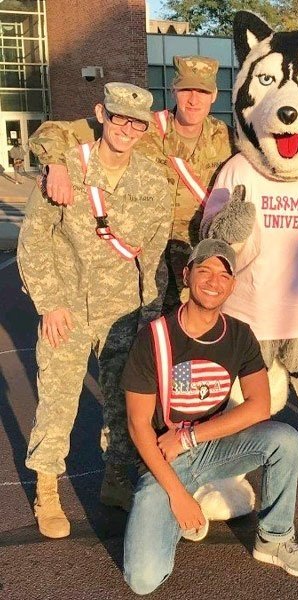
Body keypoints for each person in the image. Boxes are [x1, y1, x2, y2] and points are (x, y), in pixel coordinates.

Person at [121, 239, 298, 594]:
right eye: (205, 270)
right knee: (143, 579)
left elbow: (260, 405)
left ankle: (274, 539)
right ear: (186, 275)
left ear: (232, 285)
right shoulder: (155, 337)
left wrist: (190, 436)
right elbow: (138, 427)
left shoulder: (239, 335)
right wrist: (177, 496)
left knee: (285, 439)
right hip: (164, 459)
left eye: (224, 274)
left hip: (208, 445)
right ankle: (180, 502)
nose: (214, 281)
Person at [17, 82, 172, 538]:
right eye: (119, 118)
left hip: (123, 310)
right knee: (58, 399)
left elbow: (155, 256)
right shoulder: (67, 169)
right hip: (66, 306)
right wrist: (50, 304)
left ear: (146, 128)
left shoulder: (152, 182)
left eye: (137, 122)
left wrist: (149, 314)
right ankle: (47, 487)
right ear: (102, 114)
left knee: (125, 402)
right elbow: (33, 242)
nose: (127, 128)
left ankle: (116, 480)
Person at [29, 55, 234, 311]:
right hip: (140, 254)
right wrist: (56, 165)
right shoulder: (140, 126)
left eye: (202, 92)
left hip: (194, 256)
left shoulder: (228, 139)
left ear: (214, 95)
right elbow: (53, 131)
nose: (193, 100)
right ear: (173, 90)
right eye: (186, 90)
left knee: (185, 338)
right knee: (141, 337)